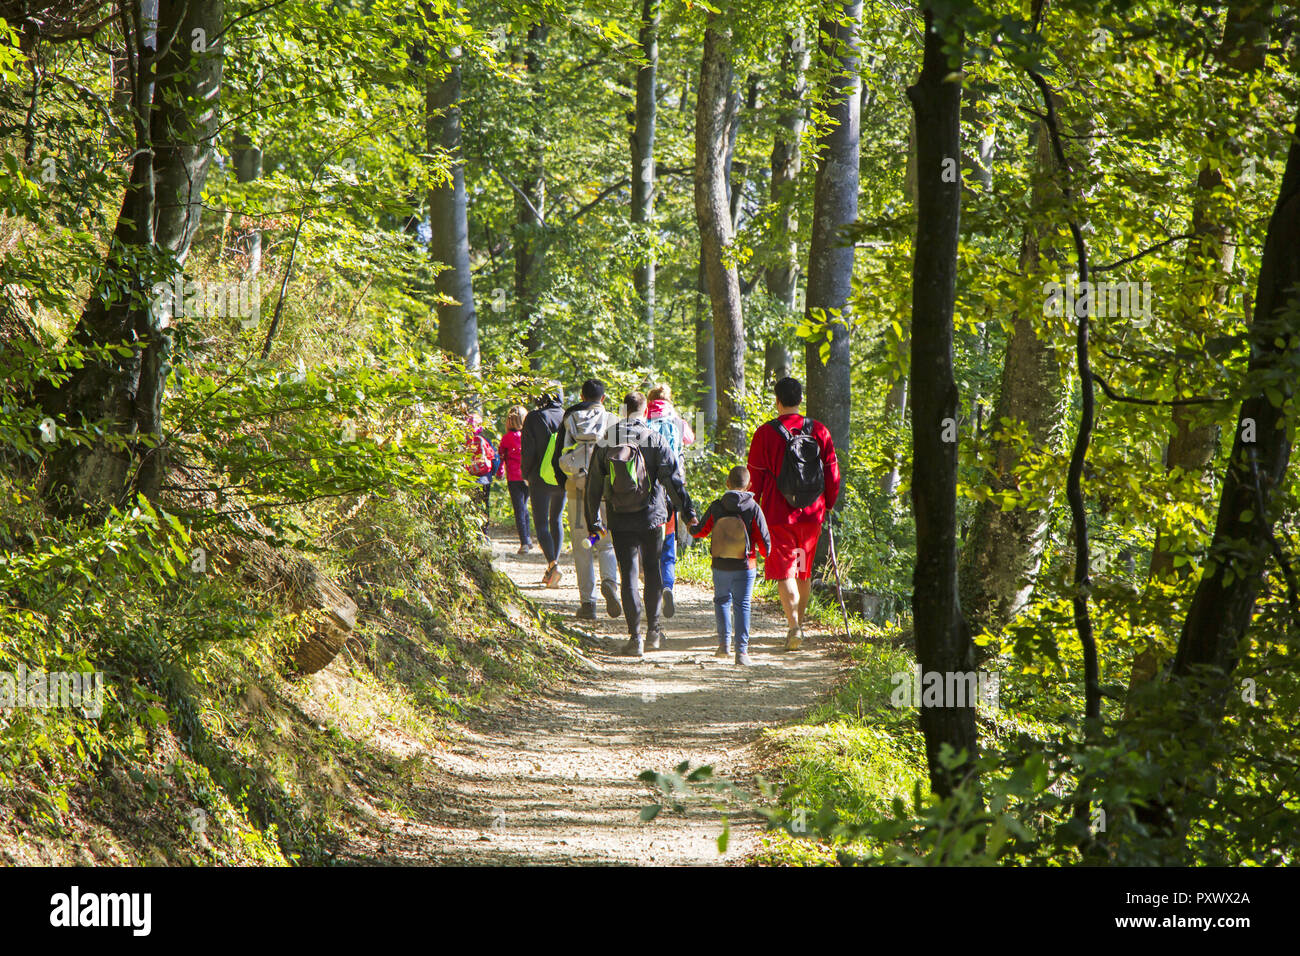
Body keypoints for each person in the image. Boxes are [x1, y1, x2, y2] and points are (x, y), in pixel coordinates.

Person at [586, 391, 697, 657]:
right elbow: (672, 479)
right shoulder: (655, 438)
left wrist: (594, 522)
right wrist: (687, 511)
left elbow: (593, 485)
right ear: (645, 411)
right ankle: (654, 633)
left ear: (624, 411)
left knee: (629, 576)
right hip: (652, 517)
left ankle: (634, 638)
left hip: (619, 517)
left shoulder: (607, 439)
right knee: (652, 570)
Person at [745, 376, 840, 651]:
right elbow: (832, 474)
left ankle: (794, 626)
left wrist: (753, 509)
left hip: (778, 514)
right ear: (800, 400)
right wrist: (829, 503)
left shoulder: (765, 433)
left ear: (777, 401)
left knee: (784, 570)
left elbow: (755, 478)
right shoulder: (819, 431)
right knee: (802, 570)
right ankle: (798, 624)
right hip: (812, 514)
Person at [690, 465, 770, 666]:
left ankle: (724, 645)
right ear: (749, 485)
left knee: (722, 601)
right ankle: (741, 653)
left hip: (720, 564)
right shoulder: (753, 507)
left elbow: (700, 531)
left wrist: (690, 525)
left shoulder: (717, 506)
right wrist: (764, 554)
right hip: (745, 565)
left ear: (727, 483)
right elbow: (764, 540)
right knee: (742, 605)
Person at [557, 379, 621, 621]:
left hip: (577, 486)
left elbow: (557, 455)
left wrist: (562, 479)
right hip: (605, 489)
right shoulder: (614, 420)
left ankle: (588, 603)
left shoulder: (570, 419)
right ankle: (610, 584)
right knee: (605, 541)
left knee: (582, 543)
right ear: (602, 399)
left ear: (582, 396)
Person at [646, 383, 695, 619]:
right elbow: (691, 440)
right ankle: (668, 585)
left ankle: (652, 588)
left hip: (647, 491)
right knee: (668, 542)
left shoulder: (643, 418)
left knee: (648, 542)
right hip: (673, 489)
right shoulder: (676, 421)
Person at [521, 387, 567, 587]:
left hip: (539, 478)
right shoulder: (568, 416)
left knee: (541, 524)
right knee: (556, 520)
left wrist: (525, 474)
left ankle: (553, 564)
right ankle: (551, 569)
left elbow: (527, 451)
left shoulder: (533, 417)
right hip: (563, 477)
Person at [497, 405, 533, 554]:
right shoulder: (529, 436)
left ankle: (525, 542)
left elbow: (501, 457)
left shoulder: (506, 438)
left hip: (514, 478)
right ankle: (528, 539)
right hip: (528, 476)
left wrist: (499, 472)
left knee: (520, 508)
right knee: (524, 507)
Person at [464, 414, 502, 544]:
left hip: (467, 479)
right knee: (484, 506)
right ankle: (484, 534)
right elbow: (495, 459)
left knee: (470, 505)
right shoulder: (485, 440)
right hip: (484, 478)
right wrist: (492, 473)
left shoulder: (463, 441)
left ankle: (471, 534)